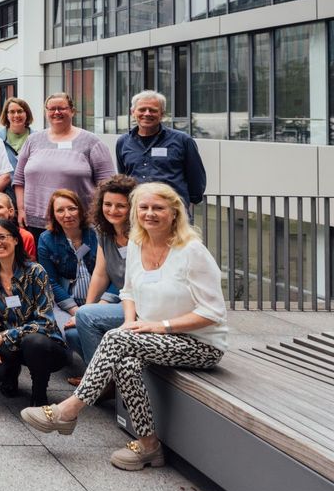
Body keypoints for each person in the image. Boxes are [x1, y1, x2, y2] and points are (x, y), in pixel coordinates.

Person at [20, 182, 228, 472]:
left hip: (198, 344)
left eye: (158, 208)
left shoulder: (191, 251)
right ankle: (149, 446)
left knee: (117, 340)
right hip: (153, 335)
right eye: (144, 207)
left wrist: (161, 326)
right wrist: (130, 323)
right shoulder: (138, 244)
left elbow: (213, 312)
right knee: (126, 363)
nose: (150, 213)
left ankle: (68, 411)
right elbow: (128, 291)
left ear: (174, 212)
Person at [0, 217, 68, 407]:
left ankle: (39, 393)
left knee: (33, 341)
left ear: (16, 239)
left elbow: (45, 322)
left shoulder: (36, 272)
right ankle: (11, 371)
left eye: (2, 237)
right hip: (12, 345)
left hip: (45, 345)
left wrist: (3, 337)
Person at [13, 93, 115, 230]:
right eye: (52, 109)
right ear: (46, 112)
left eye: (62, 108)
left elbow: (106, 184)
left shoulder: (91, 142)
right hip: (35, 222)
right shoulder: (33, 140)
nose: (56, 112)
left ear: (72, 111)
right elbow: (19, 180)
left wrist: (99, 216)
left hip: (78, 222)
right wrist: (21, 210)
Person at [73, 174, 138, 373]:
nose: (112, 210)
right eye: (108, 204)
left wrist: (86, 313)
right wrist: (87, 308)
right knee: (74, 332)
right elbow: (100, 275)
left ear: (133, 207)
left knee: (85, 318)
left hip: (142, 305)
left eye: (120, 206)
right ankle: (109, 376)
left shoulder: (141, 234)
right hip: (122, 302)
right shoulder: (104, 232)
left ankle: (100, 381)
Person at [36, 189, 100, 359]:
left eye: (72, 208)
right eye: (60, 210)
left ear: (80, 209)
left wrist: (92, 308)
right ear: (53, 214)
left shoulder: (97, 234)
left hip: (98, 300)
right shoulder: (46, 239)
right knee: (71, 333)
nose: (67, 215)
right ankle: (93, 368)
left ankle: (95, 373)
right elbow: (51, 282)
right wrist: (75, 311)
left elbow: (108, 274)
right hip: (65, 302)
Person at [115, 90, 206, 206]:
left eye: (153, 110)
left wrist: (189, 201)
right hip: (138, 211)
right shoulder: (123, 142)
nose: (147, 114)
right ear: (133, 112)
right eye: (142, 109)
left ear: (162, 114)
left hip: (174, 211)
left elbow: (196, 176)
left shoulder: (183, 140)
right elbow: (124, 178)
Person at [0, 96, 34, 171]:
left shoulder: (36, 137)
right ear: (7, 115)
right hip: (5, 182)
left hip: (29, 182)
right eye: (12, 112)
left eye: (20, 111)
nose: (16, 115)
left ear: (27, 114)